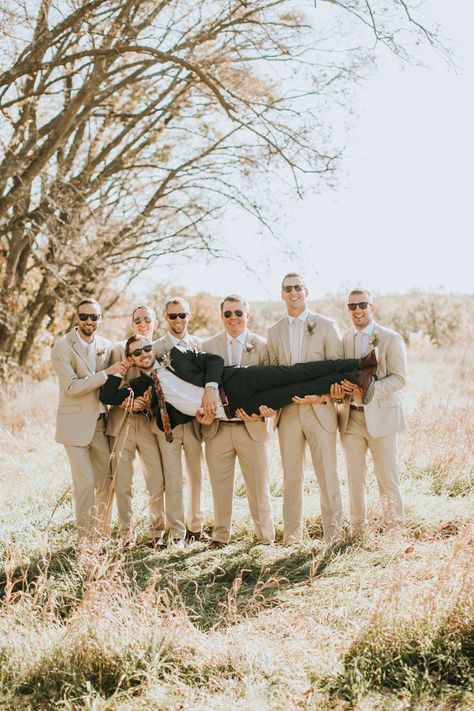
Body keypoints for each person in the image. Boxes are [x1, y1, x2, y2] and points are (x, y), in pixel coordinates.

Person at [100, 334, 376, 437]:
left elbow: (215, 361)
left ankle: (358, 363)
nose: (144, 354)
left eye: (146, 348)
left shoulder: (175, 356)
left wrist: (209, 388)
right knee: (296, 391)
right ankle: (357, 378)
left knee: (296, 372)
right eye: (136, 353)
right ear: (132, 359)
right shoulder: (142, 384)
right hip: (236, 408)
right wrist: (116, 371)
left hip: (238, 380)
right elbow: (109, 394)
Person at [267, 273, 344, 544]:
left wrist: (320, 396)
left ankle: (333, 535)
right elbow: (272, 374)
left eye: (297, 287)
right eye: (288, 288)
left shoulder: (326, 326)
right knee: (291, 477)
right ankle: (291, 536)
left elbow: (336, 368)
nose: (293, 292)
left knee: (326, 474)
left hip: (320, 411)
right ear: (282, 294)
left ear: (306, 291)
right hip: (287, 413)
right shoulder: (274, 331)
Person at [201, 295, 275, 548]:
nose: (234, 318)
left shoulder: (263, 346)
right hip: (218, 429)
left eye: (238, 313)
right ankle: (220, 536)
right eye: (228, 314)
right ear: (221, 317)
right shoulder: (207, 346)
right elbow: (199, 388)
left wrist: (262, 412)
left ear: (248, 314)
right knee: (220, 487)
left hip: (251, 428)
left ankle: (266, 537)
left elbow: (272, 386)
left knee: (258, 487)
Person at [330, 288, 407, 532]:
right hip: (350, 418)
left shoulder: (390, 338)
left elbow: (399, 379)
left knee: (387, 478)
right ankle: (357, 530)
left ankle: (394, 529)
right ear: (348, 310)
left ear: (372, 307)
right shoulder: (342, 340)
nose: (357, 310)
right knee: (354, 479)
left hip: (382, 417)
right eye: (352, 306)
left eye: (362, 305)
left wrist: (369, 389)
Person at [51, 298, 126, 544]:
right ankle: (85, 540)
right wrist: (106, 373)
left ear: (100, 319)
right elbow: (72, 387)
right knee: (85, 482)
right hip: (73, 425)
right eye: (84, 316)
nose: (89, 321)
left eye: (94, 317)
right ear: (77, 318)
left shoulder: (105, 345)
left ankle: (100, 534)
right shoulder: (62, 346)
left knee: (108, 480)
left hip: (99, 424)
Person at [107, 306, 165, 546]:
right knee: (123, 481)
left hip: (150, 425)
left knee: (156, 480)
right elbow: (109, 386)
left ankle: (157, 532)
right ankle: (126, 534)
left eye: (147, 319)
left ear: (155, 323)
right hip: (123, 423)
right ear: (132, 324)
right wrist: (129, 401)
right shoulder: (119, 350)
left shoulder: (161, 351)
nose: (143, 323)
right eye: (138, 320)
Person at [153, 296, 206, 543]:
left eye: (182, 315)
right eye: (172, 316)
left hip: (195, 423)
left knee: (196, 477)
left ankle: (196, 527)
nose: (177, 320)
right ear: (165, 318)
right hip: (169, 425)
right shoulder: (157, 348)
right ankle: (176, 533)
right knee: (173, 478)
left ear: (189, 316)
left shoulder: (199, 345)